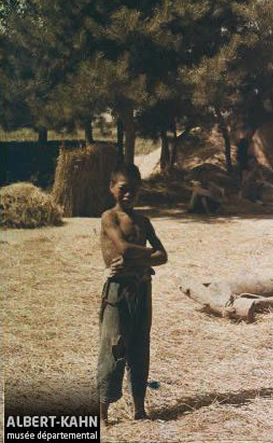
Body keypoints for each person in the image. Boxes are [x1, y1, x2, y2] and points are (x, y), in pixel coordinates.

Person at [97, 163, 168, 426]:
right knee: (114, 347)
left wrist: (138, 260)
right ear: (112, 188)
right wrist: (147, 258)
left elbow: (164, 255)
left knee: (140, 346)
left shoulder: (144, 221)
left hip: (142, 290)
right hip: (118, 291)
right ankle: (102, 413)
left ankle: (139, 409)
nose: (128, 195)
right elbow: (124, 248)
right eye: (123, 189)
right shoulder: (109, 217)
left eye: (134, 191)